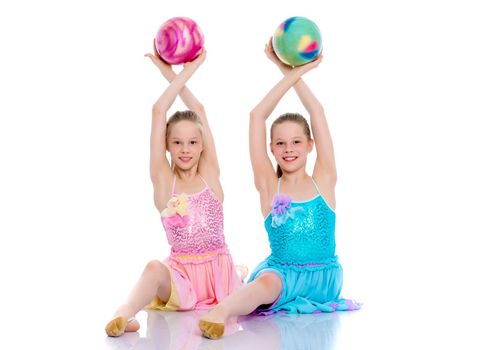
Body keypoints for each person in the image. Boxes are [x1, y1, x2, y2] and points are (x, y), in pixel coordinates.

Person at [199, 41, 360, 340]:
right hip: (281, 274)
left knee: (268, 287)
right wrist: (285, 73)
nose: (289, 149)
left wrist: (294, 70)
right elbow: (256, 116)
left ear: (310, 145)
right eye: (281, 143)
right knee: (266, 286)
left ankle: (236, 289)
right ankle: (221, 311)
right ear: (271, 149)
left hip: (323, 278)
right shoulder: (269, 186)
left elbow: (317, 111)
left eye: (297, 142)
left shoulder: (323, 179)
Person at [105, 47, 245, 337]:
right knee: (153, 267)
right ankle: (123, 313)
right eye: (177, 143)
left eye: (193, 142)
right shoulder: (164, 182)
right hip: (183, 279)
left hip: (220, 277)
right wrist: (173, 72)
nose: (185, 150)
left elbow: (201, 113)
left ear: (202, 145)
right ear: (167, 145)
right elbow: (158, 110)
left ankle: (218, 311)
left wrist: (182, 71)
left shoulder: (210, 176)